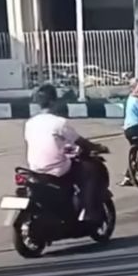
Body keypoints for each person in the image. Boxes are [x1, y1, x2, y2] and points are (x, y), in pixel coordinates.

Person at [24, 84, 108, 226]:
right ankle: (89, 210)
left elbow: (48, 144)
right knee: (90, 170)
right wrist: (99, 147)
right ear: (53, 101)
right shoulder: (59, 123)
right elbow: (81, 142)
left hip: (35, 168)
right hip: (56, 169)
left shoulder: (30, 123)